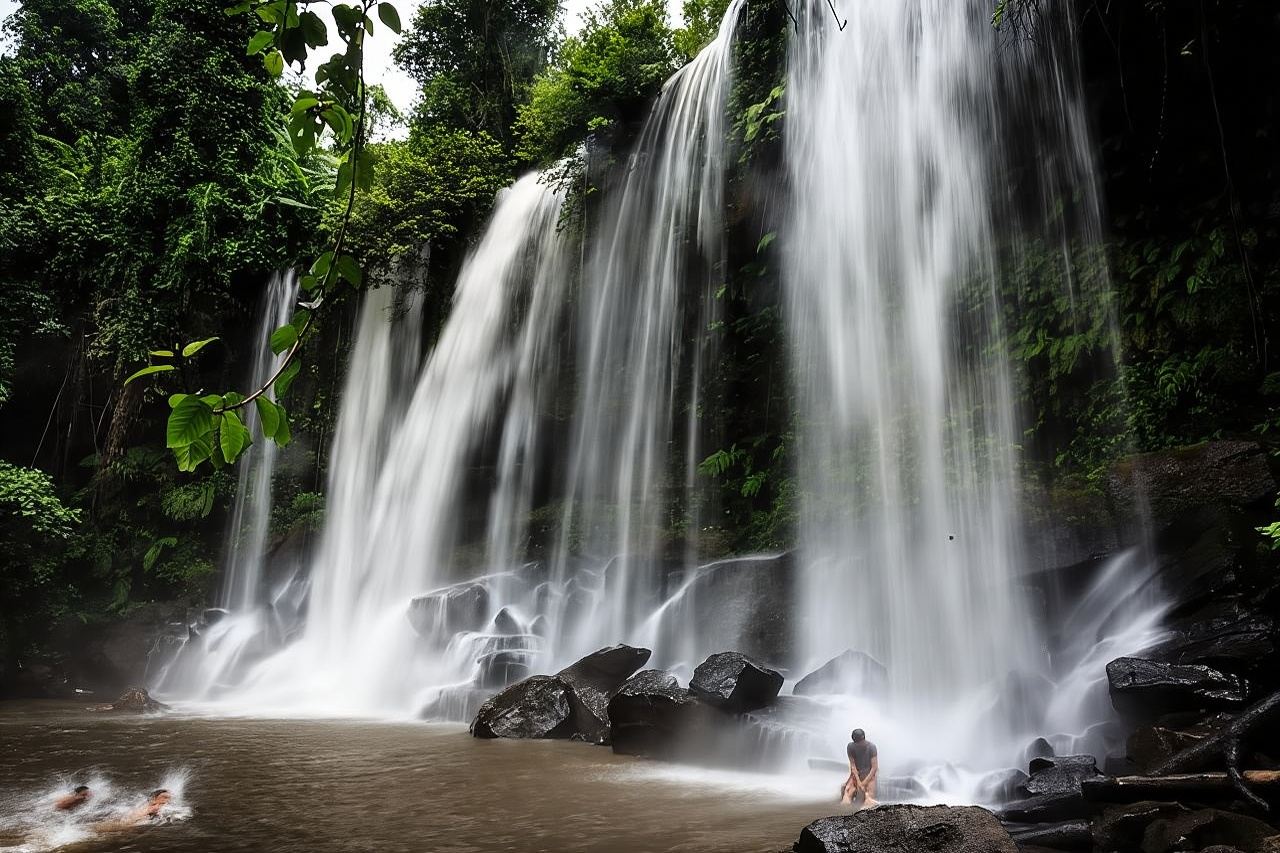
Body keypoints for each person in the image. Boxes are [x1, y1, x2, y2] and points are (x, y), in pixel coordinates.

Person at [95, 789, 172, 832]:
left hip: (122, 825)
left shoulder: (146, 805)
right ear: (154, 798)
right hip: (123, 827)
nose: (168, 799)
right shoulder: (154, 807)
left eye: (169, 797)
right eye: (165, 797)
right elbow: (132, 820)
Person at [840, 728, 879, 809]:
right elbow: (853, 766)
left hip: (869, 774)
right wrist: (858, 782)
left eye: (859, 742)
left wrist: (864, 783)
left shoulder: (871, 747)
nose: (858, 744)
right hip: (856, 773)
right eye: (856, 743)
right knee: (847, 791)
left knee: (869, 796)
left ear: (864, 738)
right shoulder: (850, 746)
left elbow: (874, 768)